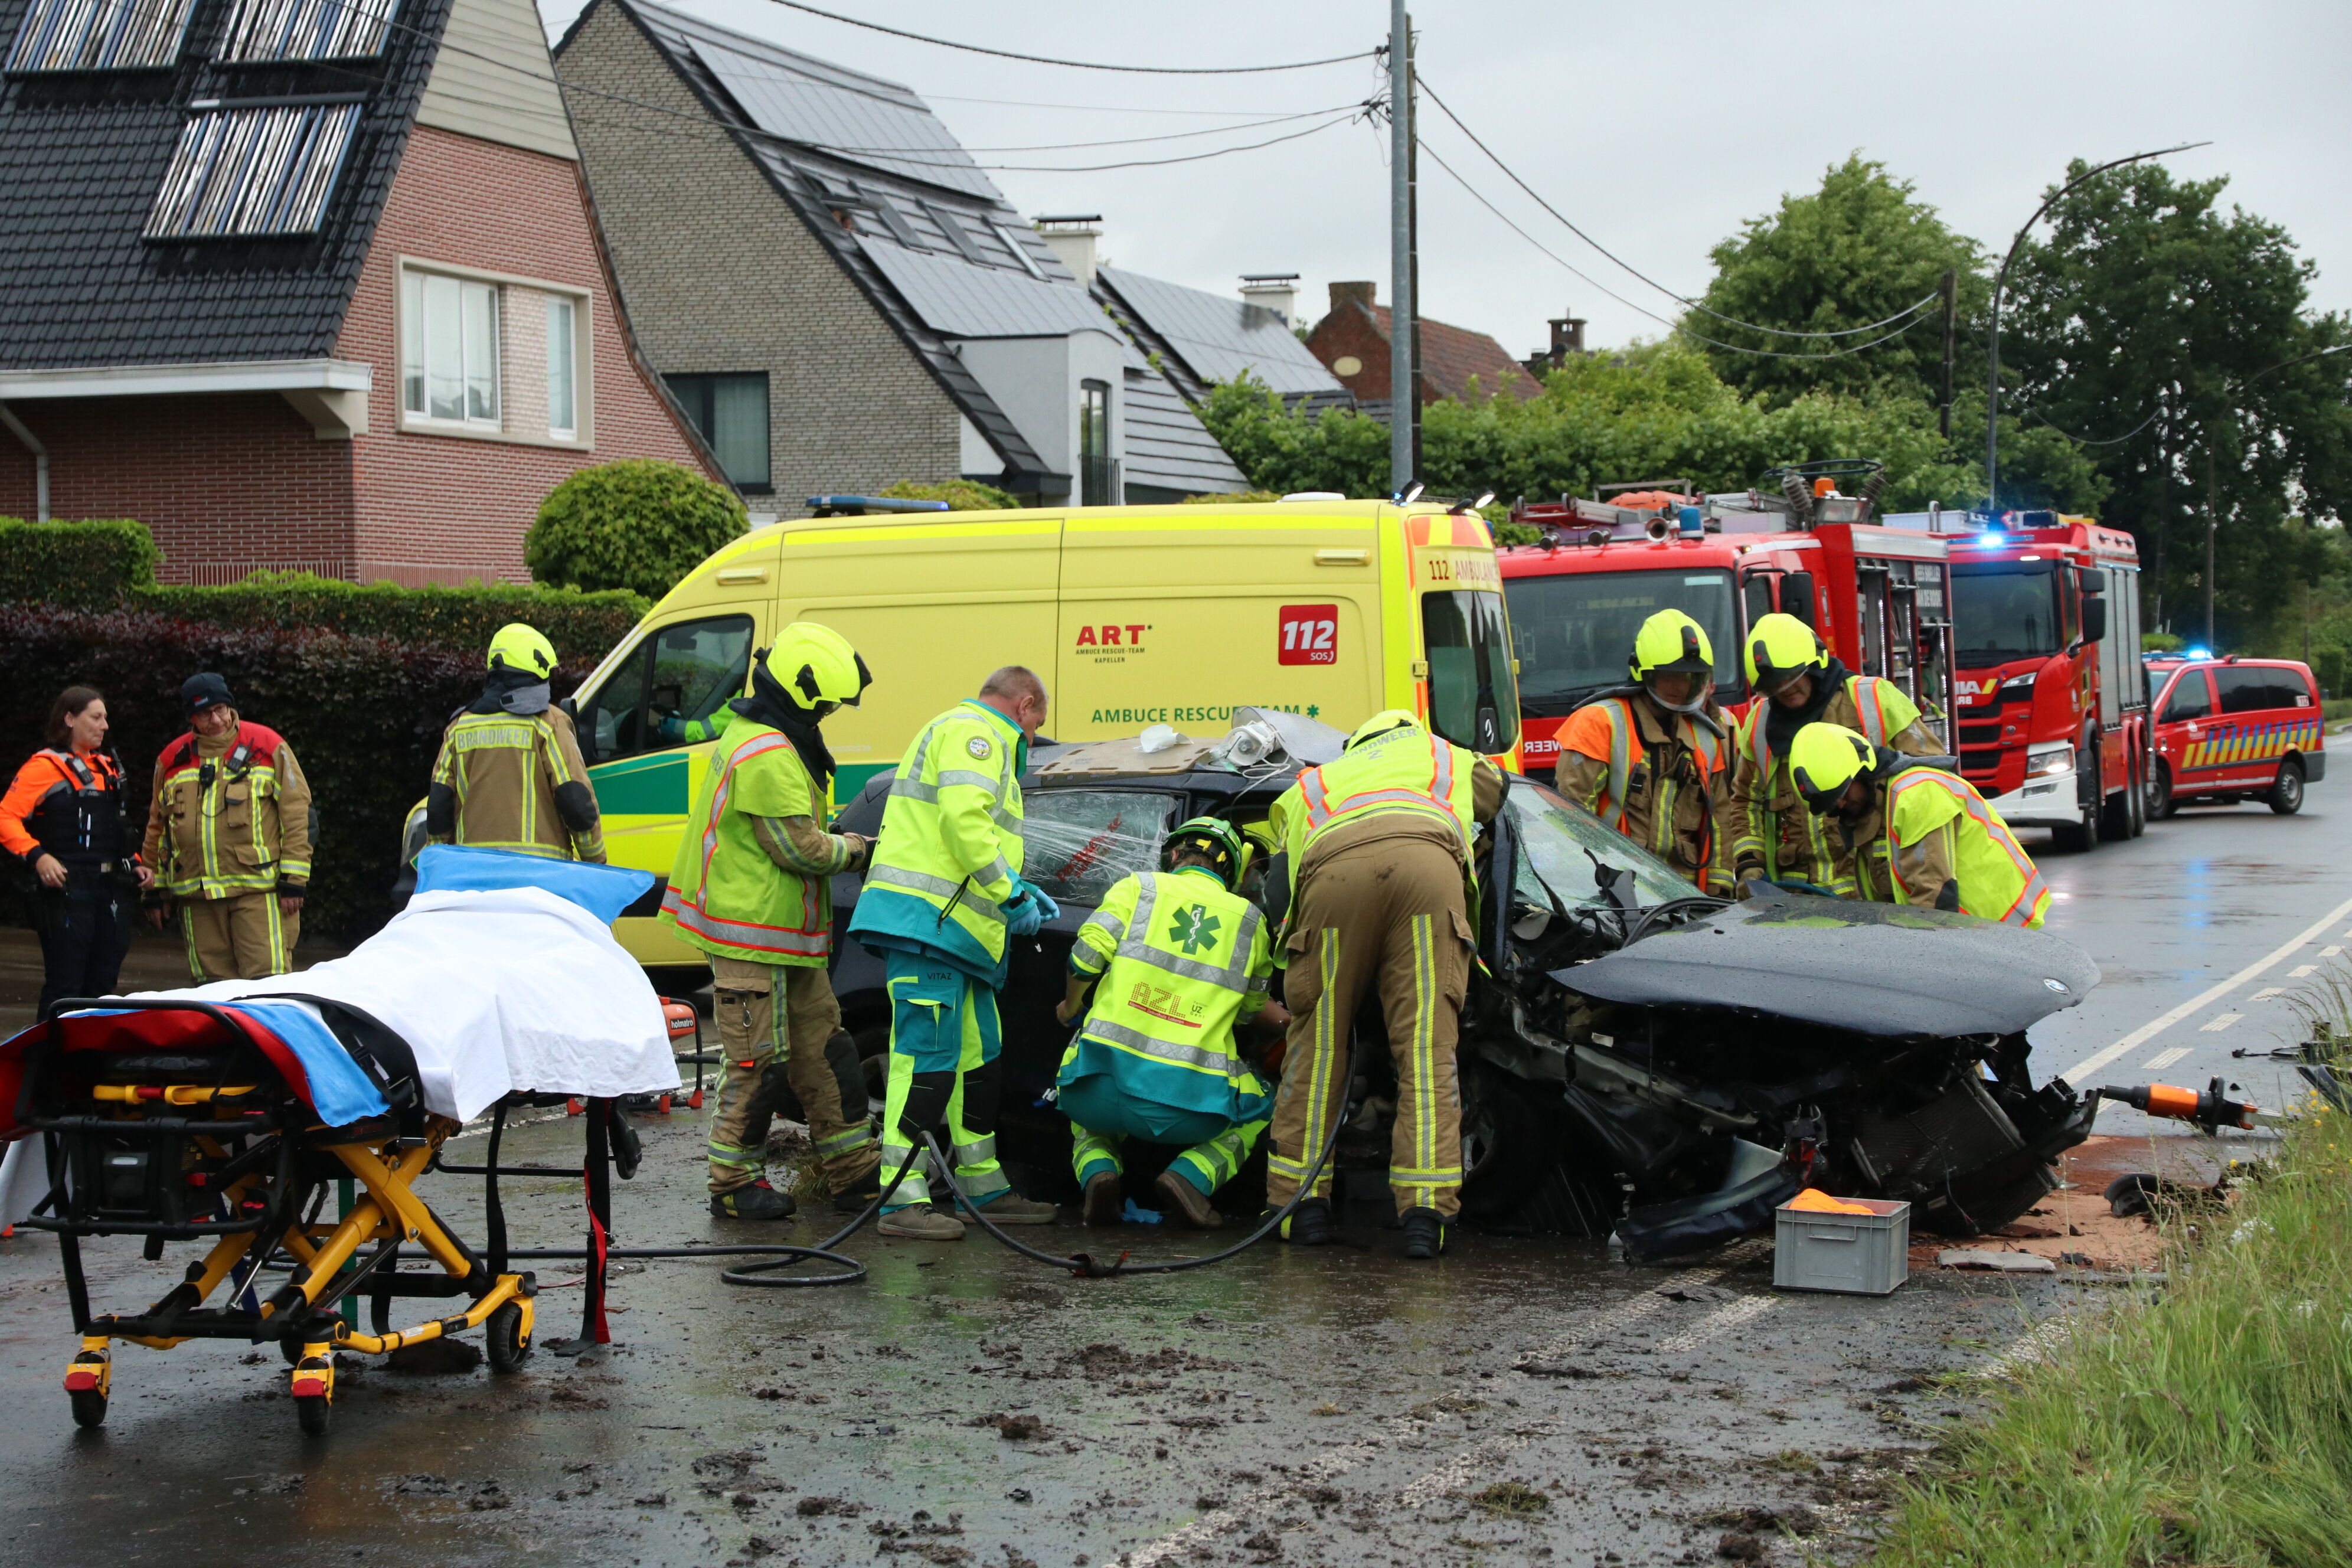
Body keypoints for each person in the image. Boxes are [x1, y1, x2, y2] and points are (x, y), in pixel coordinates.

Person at [1263, 709, 1507, 1259]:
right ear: (1411, 734)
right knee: (1425, 1050)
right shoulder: (1443, 756)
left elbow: (1281, 880)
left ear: (1356, 745)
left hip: (1333, 880)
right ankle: (1425, 1214)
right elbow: (1497, 796)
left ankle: (1298, 1208)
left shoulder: (1316, 782)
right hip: (1427, 872)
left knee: (1318, 1049)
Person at [660, 625, 884, 1220]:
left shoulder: (773, 735)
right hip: (748, 935)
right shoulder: (767, 751)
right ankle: (733, 1185)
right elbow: (798, 847)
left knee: (826, 1050)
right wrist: (861, 850)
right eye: (826, 705)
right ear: (800, 694)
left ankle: (855, 1174)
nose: (829, 714)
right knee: (757, 1064)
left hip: (785, 936)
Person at [847, 667, 1063, 1240]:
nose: (1033, 737)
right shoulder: (976, 733)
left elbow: (968, 836)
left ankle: (982, 1186)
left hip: (956, 936)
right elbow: (966, 823)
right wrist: (1010, 893)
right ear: (1025, 704)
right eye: (1036, 724)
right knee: (926, 1061)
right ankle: (900, 1200)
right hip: (929, 928)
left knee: (977, 1059)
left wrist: (1019, 885)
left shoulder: (970, 734)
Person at [1051, 816, 1285, 1230]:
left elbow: (1084, 959)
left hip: (1097, 1094)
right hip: (1186, 1109)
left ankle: (1099, 1173)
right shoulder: (1250, 921)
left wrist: (1070, 1008)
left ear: (1173, 855)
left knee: (1082, 1096)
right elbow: (1250, 1011)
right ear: (1232, 872)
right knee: (1265, 1104)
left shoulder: (1137, 888)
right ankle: (1191, 1177)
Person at [1720, 613, 1940, 898]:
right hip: (1797, 900)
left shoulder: (1874, 699)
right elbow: (1745, 803)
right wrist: (1750, 864)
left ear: (1816, 665)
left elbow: (1930, 780)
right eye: (1775, 687)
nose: (1786, 691)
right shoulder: (1759, 725)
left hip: (1875, 893)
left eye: (1792, 678)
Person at [1787, 722, 2051, 927]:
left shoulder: (1917, 795)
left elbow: (1935, 896)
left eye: (1843, 794)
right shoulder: (1873, 808)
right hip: (1971, 930)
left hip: (1997, 930)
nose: (1841, 805)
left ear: (1862, 770)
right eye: (1832, 803)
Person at [142, 674, 313, 982]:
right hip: (196, 897)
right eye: (205, 714)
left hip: (258, 892)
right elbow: (158, 827)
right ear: (191, 718)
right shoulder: (172, 759)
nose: (217, 720)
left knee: (267, 983)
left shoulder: (267, 746)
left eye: (220, 709)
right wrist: (154, 890)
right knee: (211, 990)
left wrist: (294, 880)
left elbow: (298, 814)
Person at [1554, 608, 1732, 893]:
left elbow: (1719, 818)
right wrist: (1585, 891)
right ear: (1645, 673)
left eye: (1689, 677)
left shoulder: (1706, 737)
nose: (1680, 686)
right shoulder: (1599, 723)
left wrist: (1719, 887)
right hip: (1617, 892)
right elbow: (1573, 816)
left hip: (1687, 894)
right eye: (1669, 676)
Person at [2, 687, 151, 1018]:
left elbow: (115, 826)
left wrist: (135, 863)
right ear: (69, 719)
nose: (105, 726)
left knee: (102, 986)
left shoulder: (107, 767)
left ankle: (87, 1049)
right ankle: (51, 1049)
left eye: (105, 718)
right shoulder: (44, 767)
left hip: (111, 892)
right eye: (96, 717)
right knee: (65, 986)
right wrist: (38, 856)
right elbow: (5, 816)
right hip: (67, 893)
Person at [427, 623, 604, 863]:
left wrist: (439, 862)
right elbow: (575, 800)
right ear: (538, 670)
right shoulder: (549, 724)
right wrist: (595, 859)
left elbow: (439, 805)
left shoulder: (459, 727)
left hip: (474, 871)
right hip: (539, 873)